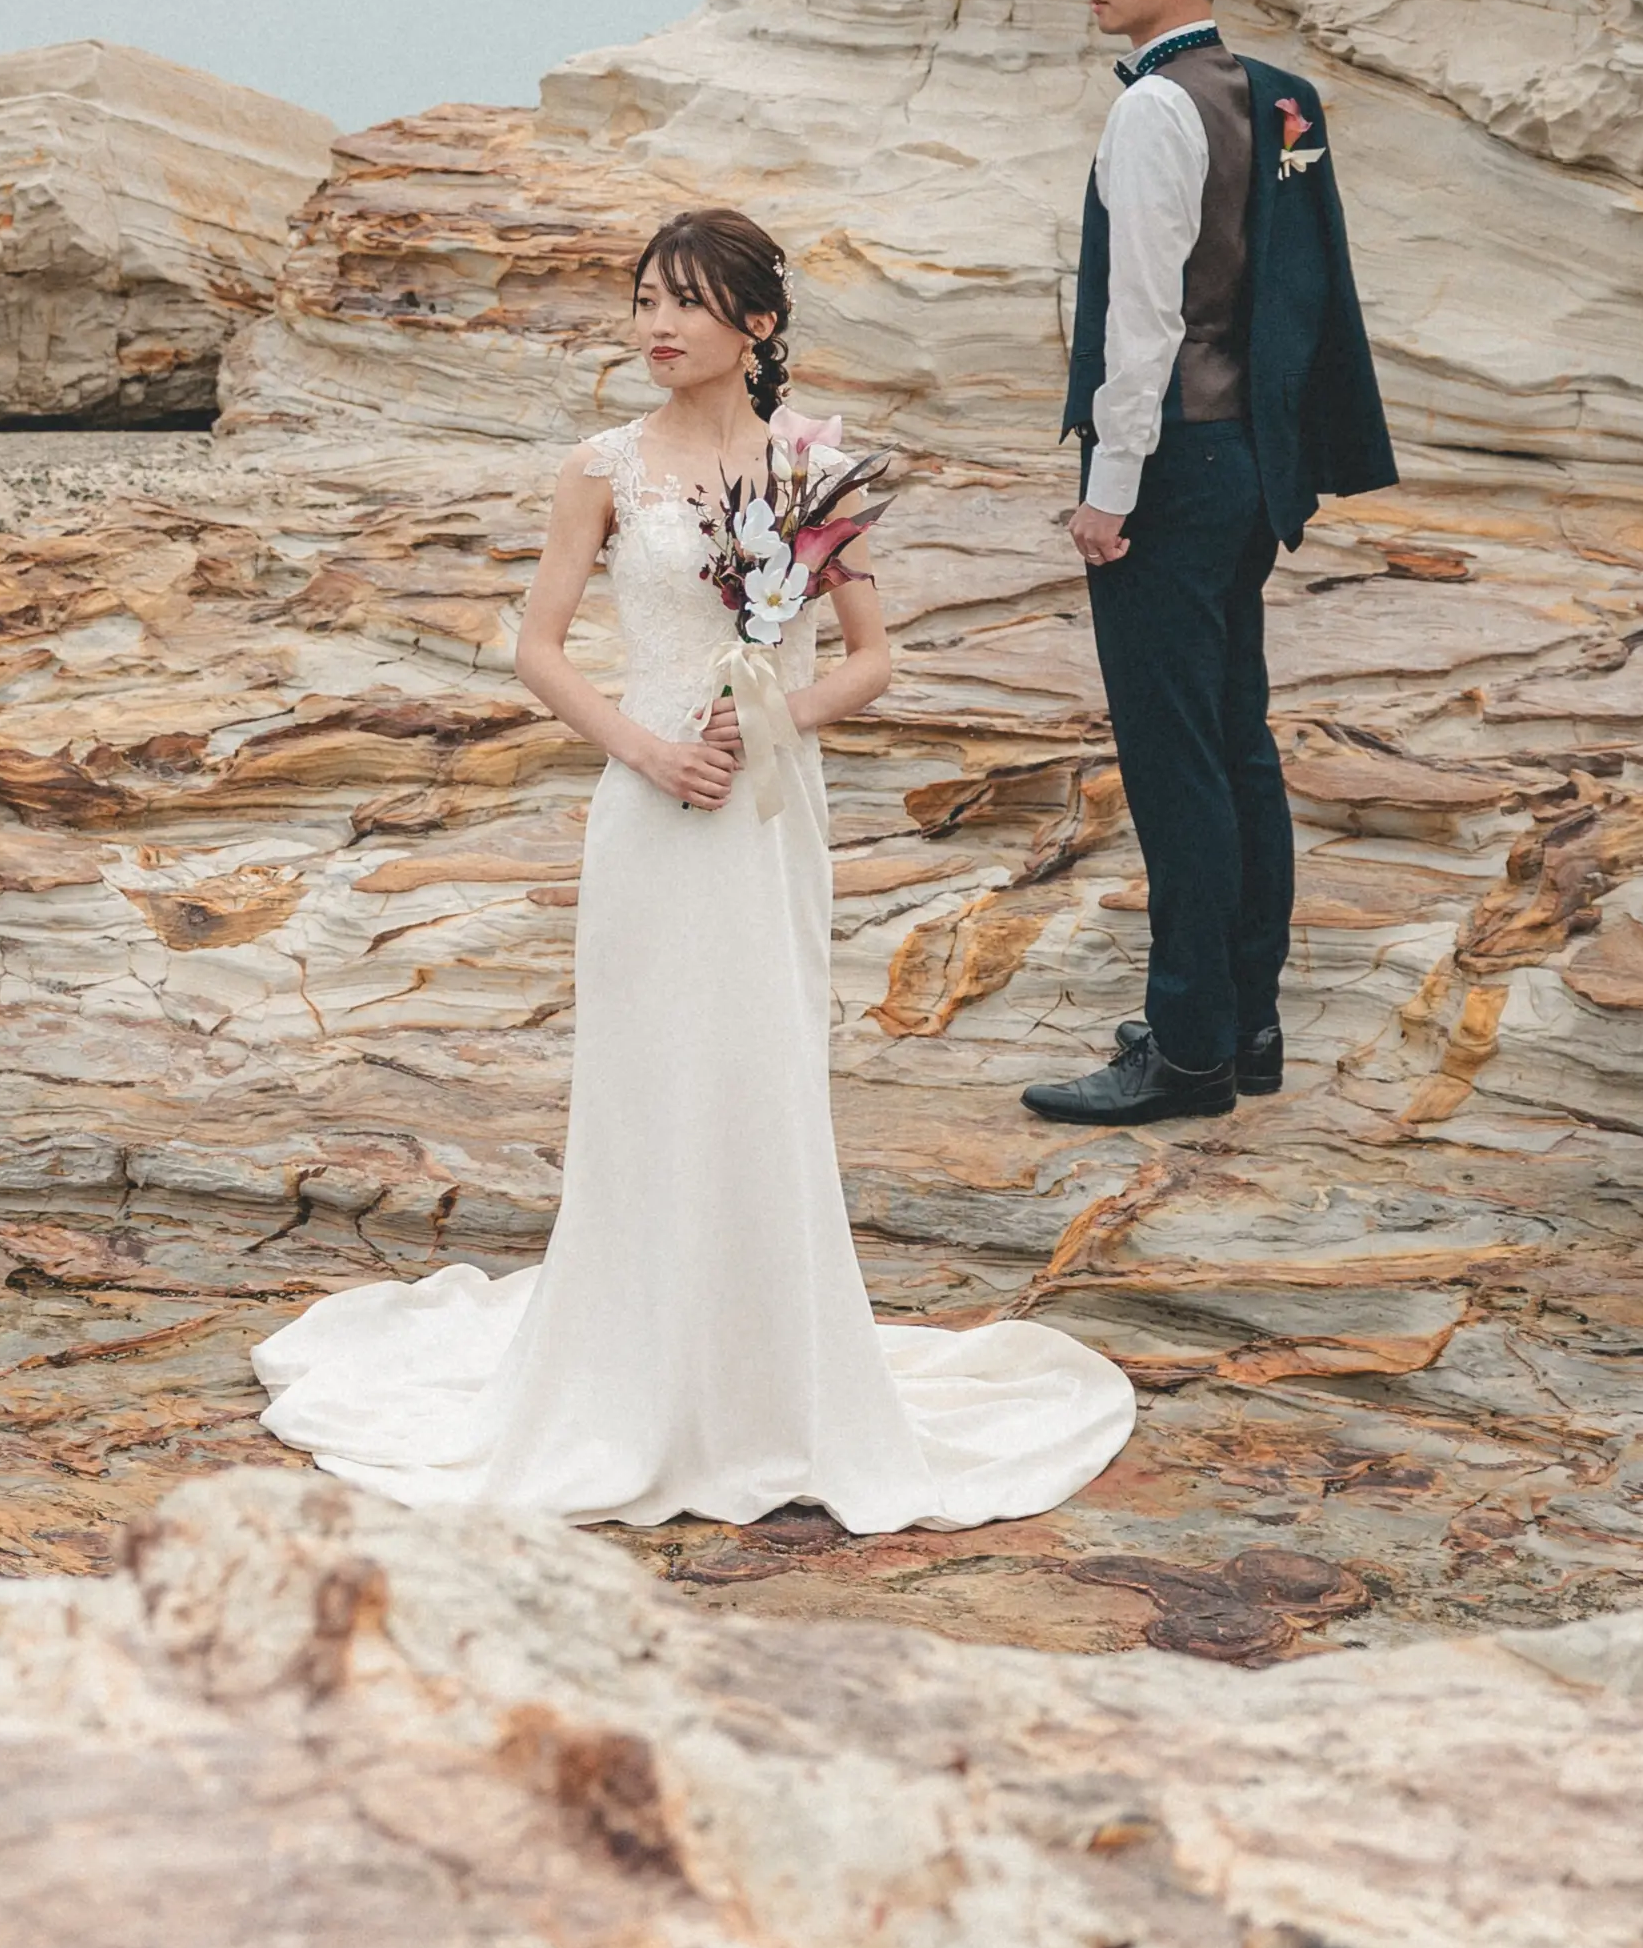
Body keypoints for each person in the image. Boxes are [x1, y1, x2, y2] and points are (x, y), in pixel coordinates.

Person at [253, 208, 1134, 1529]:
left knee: (760, 1074)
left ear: (755, 326)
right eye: (643, 301)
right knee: (644, 1078)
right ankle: (627, 1381)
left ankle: (771, 1388)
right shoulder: (598, 467)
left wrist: (768, 715)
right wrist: (647, 747)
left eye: (686, 304)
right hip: (649, 807)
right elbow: (539, 648)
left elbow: (870, 659)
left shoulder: (812, 467)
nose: (655, 325)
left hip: (768, 811)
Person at [1019, 0, 1399, 1130]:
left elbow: (1145, 320)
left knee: (1176, 761)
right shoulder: (1274, 96)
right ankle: (1245, 1022)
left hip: (1171, 467)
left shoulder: (1154, 110)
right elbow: (1297, 300)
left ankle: (1183, 1050)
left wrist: (1107, 489)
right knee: (1237, 743)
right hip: (1248, 466)